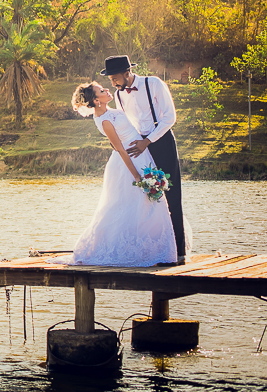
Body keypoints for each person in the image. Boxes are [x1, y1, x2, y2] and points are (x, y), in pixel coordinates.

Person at [49, 81, 176, 267]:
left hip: (141, 156)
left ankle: (152, 249)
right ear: (96, 100)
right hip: (128, 164)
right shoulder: (104, 120)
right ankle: (129, 249)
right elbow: (120, 150)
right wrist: (137, 177)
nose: (107, 90)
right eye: (101, 90)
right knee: (129, 205)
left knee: (147, 205)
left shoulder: (111, 111)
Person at [101, 55, 186, 265]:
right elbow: (126, 123)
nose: (113, 83)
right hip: (140, 146)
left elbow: (170, 118)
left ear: (126, 73)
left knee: (172, 195)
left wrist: (148, 141)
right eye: (110, 79)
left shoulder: (154, 84)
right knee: (148, 196)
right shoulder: (119, 95)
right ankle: (157, 250)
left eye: (114, 78)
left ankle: (180, 253)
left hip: (162, 141)